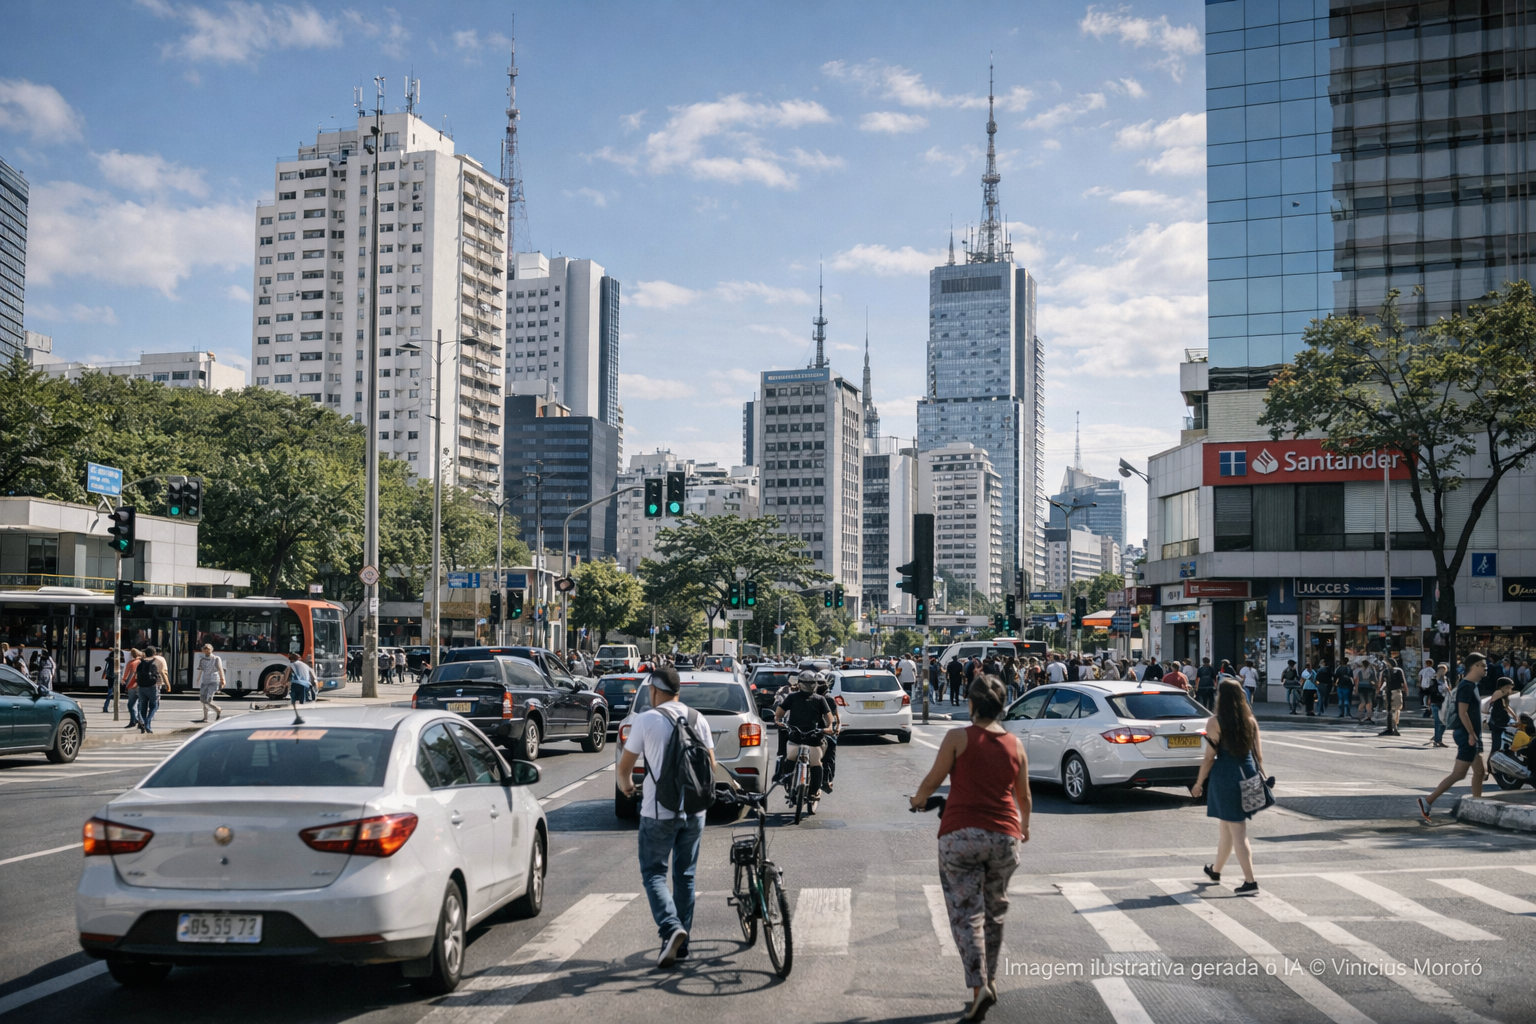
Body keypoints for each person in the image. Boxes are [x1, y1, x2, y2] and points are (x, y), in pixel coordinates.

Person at [910, 676, 1030, 1022]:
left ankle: (980, 988)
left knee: (967, 914)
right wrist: (1025, 828)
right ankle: (990, 980)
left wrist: (918, 800)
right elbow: (1024, 797)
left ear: (972, 705)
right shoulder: (1015, 743)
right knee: (994, 913)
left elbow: (933, 781)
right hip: (1004, 838)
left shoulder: (958, 737)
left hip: (961, 836)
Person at [617, 665, 718, 969]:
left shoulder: (647, 720)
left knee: (654, 874)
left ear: (655, 691)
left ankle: (671, 927)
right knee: (685, 877)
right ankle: (680, 944)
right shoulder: (698, 719)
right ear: (678, 692)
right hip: (694, 811)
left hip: (658, 812)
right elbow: (710, 766)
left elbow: (624, 767)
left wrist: (628, 787)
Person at [1190, 680, 1266, 896]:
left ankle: (1250, 882)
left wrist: (1198, 783)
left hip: (1226, 776)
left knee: (1237, 830)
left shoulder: (1215, 722)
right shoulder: (1250, 720)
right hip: (1248, 774)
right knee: (1227, 827)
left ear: (1220, 697)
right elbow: (1258, 755)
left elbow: (1209, 758)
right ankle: (1216, 870)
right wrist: (1262, 777)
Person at [1419, 653, 1490, 821]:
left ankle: (1477, 806)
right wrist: (1471, 734)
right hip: (1467, 735)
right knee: (1459, 774)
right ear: (1473, 667)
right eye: (1483, 665)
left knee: (1480, 772)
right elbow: (1462, 711)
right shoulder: (1466, 686)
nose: (1486, 668)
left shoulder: (1473, 685)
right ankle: (1427, 800)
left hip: (1472, 735)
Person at [775, 670, 836, 808]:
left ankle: (814, 791)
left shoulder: (820, 700)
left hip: (815, 738)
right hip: (795, 736)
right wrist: (777, 719)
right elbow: (780, 711)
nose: (809, 685)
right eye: (807, 683)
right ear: (800, 684)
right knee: (789, 758)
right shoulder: (792, 698)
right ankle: (787, 781)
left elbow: (828, 716)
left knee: (816, 764)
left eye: (812, 683)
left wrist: (829, 726)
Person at [136, 646, 167, 734]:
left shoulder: (140, 662)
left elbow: (137, 674)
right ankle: (148, 723)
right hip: (153, 686)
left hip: (141, 686)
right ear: (154, 653)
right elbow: (163, 673)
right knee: (154, 706)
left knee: (143, 707)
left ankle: (144, 722)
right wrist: (167, 685)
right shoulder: (158, 661)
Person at [194, 643, 226, 722]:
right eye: (205, 649)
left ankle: (217, 710)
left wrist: (223, 679)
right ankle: (205, 717)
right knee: (202, 699)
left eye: (208, 649)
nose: (206, 650)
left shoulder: (216, 658)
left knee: (208, 699)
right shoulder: (202, 660)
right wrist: (198, 679)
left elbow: (220, 669)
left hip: (214, 680)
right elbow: (201, 670)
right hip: (205, 680)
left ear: (211, 649)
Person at [1379, 656, 1407, 736]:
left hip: (1387, 691)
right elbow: (1404, 682)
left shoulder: (1385, 671)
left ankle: (1389, 728)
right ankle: (1395, 727)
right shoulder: (1399, 670)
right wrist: (1406, 691)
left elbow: (1380, 683)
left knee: (1389, 710)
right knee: (1396, 710)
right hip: (1397, 691)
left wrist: (1377, 691)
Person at [1429, 663, 1451, 748]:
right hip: (1435, 702)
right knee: (1437, 721)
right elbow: (1432, 690)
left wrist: (1447, 689)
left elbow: (1449, 689)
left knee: (1444, 722)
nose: (1444, 672)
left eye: (1445, 671)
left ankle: (1439, 739)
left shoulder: (1446, 679)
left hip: (1444, 702)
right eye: (1442, 670)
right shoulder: (1433, 679)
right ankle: (1437, 741)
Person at [1354, 658, 1378, 725]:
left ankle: (1360, 717)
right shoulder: (1371, 670)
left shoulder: (1359, 671)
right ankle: (1369, 717)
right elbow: (1375, 679)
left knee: (1363, 702)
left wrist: (1356, 689)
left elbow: (1357, 680)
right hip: (1370, 687)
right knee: (1369, 703)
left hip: (1361, 688)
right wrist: (1376, 686)